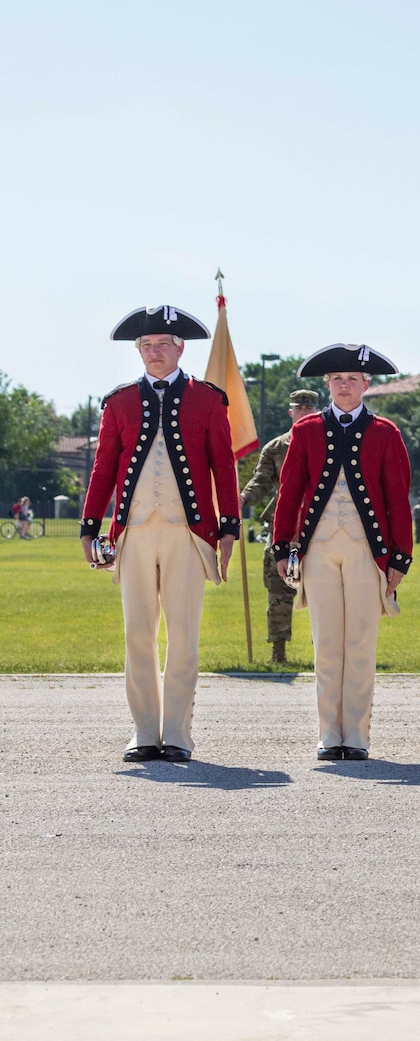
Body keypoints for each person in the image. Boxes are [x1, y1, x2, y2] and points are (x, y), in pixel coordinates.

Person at [80, 306, 240, 762]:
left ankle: (178, 732)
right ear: (138, 351)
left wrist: (228, 528)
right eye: (147, 347)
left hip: (188, 535)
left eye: (163, 345)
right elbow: (103, 468)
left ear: (180, 349)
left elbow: (223, 469)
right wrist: (90, 528)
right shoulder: (119, 401)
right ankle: (144, 730)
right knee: (137, 632)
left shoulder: (208, 399)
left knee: (183, 633)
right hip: (133, 532)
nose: (154, 353)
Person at [272, 347, 412, 759]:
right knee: (327, 642)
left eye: (353, 378)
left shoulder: (386, 432)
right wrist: (283, 544)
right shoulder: (307, 430)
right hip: (318, 550)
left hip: (368, 553)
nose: (345, 385)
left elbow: (397, 501)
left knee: (361, 642)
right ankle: (329, 733)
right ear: (327, 385)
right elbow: (290, 489)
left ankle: (357, 733)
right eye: (337, 379)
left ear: (367, 384)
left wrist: (399, 558)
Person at [239, 389, 323, 663]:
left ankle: (324, 650)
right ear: (291, 412)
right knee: (278, 591)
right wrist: (241, 500)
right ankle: (278, 652)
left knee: (324, 592)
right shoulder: (276, 448)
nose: (304, 412)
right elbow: (261, 481)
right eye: (299, 408)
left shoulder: (329, 442)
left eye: (309, 409)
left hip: (321, 528)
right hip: (283, 528)